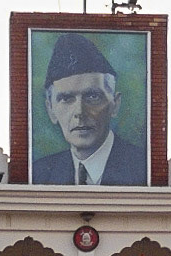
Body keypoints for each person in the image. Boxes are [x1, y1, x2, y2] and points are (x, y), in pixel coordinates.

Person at [29, 33, 149, 186]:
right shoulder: (40, 174)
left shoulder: (143, 169)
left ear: (115, 104)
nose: (80, 112)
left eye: (92, 96)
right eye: (66, 99)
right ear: (51, 110)